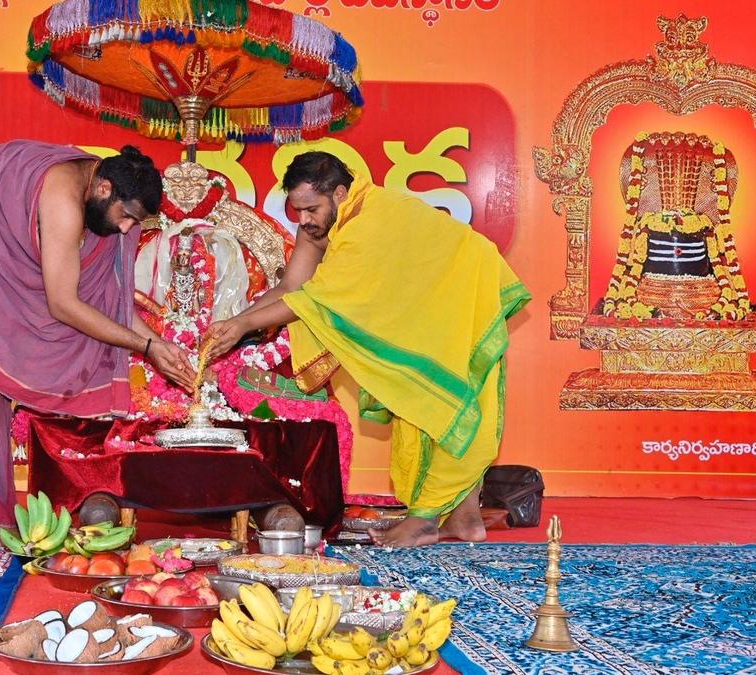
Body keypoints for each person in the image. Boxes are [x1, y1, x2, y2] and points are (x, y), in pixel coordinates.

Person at [204, 152, 529, 547]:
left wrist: (241, 325)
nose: (304, 220)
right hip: (422, 311)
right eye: (298, 210)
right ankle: (466, 520)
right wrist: (233, 325)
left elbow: (316, 302)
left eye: (311, 209)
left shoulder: (370, 221)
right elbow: (292, 287)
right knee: (418, 395)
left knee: (437, 404)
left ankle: (426, 520)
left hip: (461, 300)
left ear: (341, 194)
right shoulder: (323, 225)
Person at [0, 141, 195, 545]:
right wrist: (145, 348)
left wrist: (158, 346)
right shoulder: (65, 202)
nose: (127, 229)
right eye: (126, 218)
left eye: (133, 222)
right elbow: (65, 305)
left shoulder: (104, 203)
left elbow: (112, 306)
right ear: (104, 188)